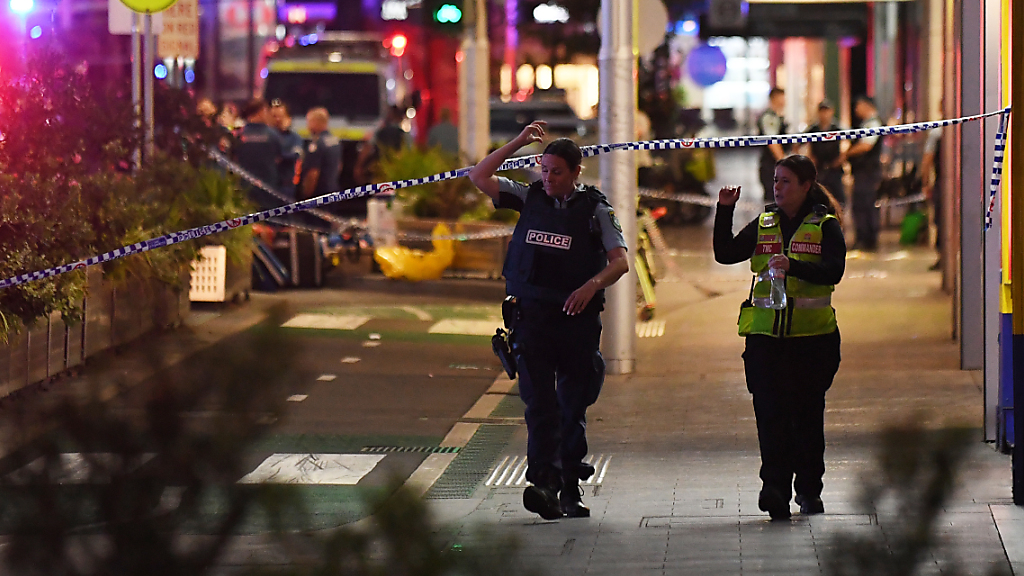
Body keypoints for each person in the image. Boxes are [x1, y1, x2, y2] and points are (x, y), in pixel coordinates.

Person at [468, 122, 629, 520]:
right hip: (532, 320)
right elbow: (479, 176)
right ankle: (544, 485)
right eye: (544, 169)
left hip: (575, 321)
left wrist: (590, 287)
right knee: (539, 406)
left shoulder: (596, 210)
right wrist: (519, 141)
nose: (548, 177)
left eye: (557, 171)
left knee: (570, 406)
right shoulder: (529, 197)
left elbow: (620, 262)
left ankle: (570, 485)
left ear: (577, 172)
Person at [713, 154, 845, 521]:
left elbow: (835, 270)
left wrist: (794, 266)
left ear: (806, 186)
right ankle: (774, 489)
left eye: (786, 181)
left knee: (805, 417)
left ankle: (808, 490)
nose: (778, 187)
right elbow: (724, 253)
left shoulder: (825, 226)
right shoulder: (765, 223)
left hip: (811, 341)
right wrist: (725, 210)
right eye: (775, 180)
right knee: (770, 416)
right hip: (765, 340)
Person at [841, 95, 884, 251]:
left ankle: (867, 239)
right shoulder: (866, 124)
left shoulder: (873, 123)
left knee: (864, 205)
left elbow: (866, 146)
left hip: (868, 172)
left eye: (858, 105)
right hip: (864, 172)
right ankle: (864, 238)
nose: (856, 109)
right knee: (861, 204)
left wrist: (846, 154)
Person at [235, 98, 283, 194]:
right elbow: (279, 158)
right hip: (267, 187)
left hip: (244, 187)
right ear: (261, 112)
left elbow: (234, 157)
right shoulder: (273, 135)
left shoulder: (239, 134)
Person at [805, 100, 846, 207]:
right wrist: (809, 159)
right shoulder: (813, 130)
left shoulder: (837, 128)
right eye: (822, 111)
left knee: (839, 198)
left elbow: (849, 143)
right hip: (818, 169)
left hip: (834, 168)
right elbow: (798, 143)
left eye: (827, 111)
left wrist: (842, 158)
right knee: (817, 197)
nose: (824, 115)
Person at [299, 107, 342, 200]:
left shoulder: (317, 144)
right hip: (333, 191)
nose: (308, 127)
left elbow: (313, 173)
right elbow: (339, 166)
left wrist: (307, 194)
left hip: (319, 195)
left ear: (316, 122)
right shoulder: (335, 141)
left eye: (309, 122)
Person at [756, 88, 790, 200]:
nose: (784, 101)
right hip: (770, 166)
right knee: (773, 200)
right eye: (782, 98)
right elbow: (772, 142)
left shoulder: (777, 117)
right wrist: (783, 161)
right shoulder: (769, 117)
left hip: (774, 166)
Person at [919, 127, 943, 270]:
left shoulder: (936, 133)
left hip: (942, 183)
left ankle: (942, 256)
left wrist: (925, 183)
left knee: (940, 219)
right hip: (950, 183)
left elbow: (927, 160)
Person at [270, 101, 304, 199]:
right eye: (274, 116)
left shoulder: (294, 137)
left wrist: (280, 157)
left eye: (281, 116)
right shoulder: (267, 136)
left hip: (286, 186)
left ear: (288, 118)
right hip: (267, 184)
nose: (278, 119)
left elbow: (296, 154)